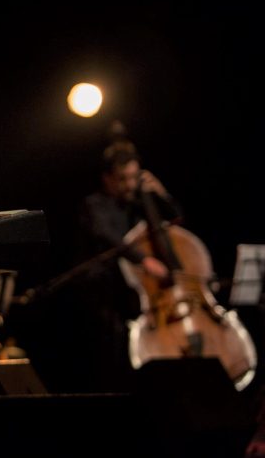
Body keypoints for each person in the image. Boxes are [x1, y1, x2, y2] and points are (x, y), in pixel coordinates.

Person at [71, 139, 181, 392]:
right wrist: (144, 260)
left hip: (135, 299)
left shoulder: (139, 204)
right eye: (122, 179)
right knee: (110, 366)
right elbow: (109, 237)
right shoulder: (95, 205)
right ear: (107, 178)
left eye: (134, 177)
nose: (130, 185)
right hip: (102, 298)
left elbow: (175, 222)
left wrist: (161, 195)